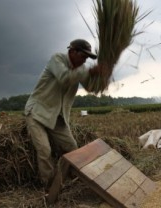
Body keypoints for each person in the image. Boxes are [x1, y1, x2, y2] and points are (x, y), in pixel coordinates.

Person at [24, 39, 105, 188]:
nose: (85, 60)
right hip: (37, 112)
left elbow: (91, 88)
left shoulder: (81, 68)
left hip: (57, 117)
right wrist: (89, 71)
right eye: (83, 56)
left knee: (72, 148)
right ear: (72, 51)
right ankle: (49, 188)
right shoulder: (57, 59)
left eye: (87, 58)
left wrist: (102, 76)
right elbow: (64, 78)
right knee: (44, 150)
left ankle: (70, 180)